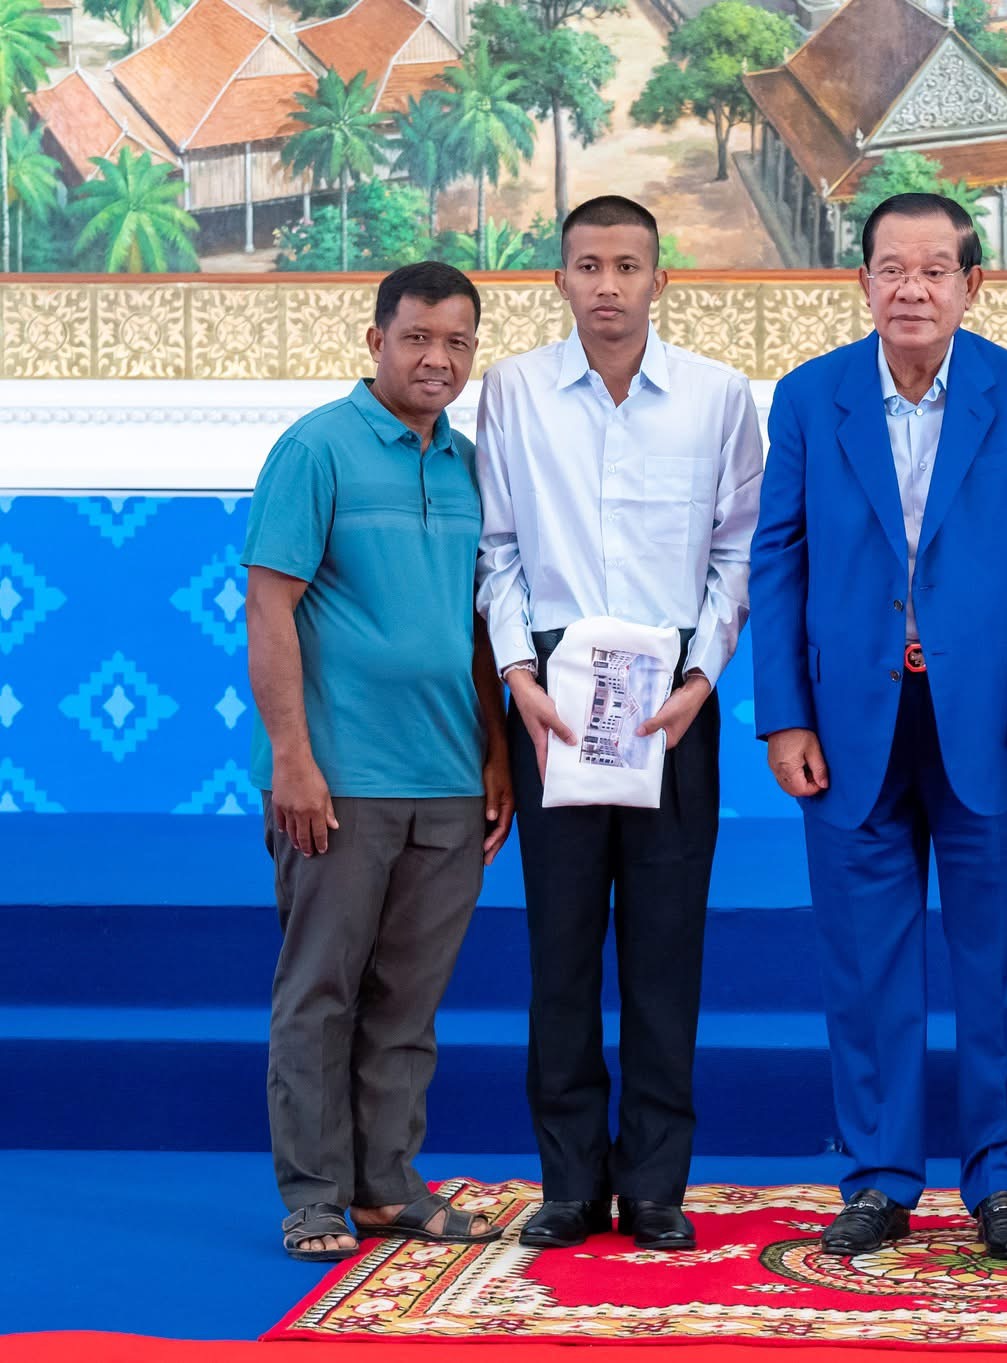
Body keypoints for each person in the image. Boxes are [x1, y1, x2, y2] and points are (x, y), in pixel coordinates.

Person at [749, 193, 1007, 1260]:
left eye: (934, 269)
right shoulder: (809, 397)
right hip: (848, 717)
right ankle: (879, 1177)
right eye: (891, 268)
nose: (912, 288)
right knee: (864, 963)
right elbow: (777, 561)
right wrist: (783, 715)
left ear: (971, 284)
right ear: (861, 282)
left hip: (993, 716)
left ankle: (1004, 1182)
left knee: (1003, 960)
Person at [475, 195, 764, 1251]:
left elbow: (737, 552)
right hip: (552, 696)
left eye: (627, 265)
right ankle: (567, 1181)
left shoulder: (718, 396)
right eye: (588, 265)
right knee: (558, 947)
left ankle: (653, 1184)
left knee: (664, 948)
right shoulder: (513, 391)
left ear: (659, 279)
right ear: (559, 278)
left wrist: (701, 677)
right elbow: (498, 547)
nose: (607, 285)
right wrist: (518, 673)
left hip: (672, 698)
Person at [245, 262, 511, 1262]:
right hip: (340, 780)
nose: (437, 359)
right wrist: (292, 759)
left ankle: (387, 1187)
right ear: (375, 342)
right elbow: (269, 606)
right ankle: (314, 1195)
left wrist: (494, 755)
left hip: (448, 780)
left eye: (457, 342)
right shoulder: (316, 449)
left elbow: (481, 628)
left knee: (407, 1000)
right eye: (417, 338)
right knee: (321, 992)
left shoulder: (472, 465)